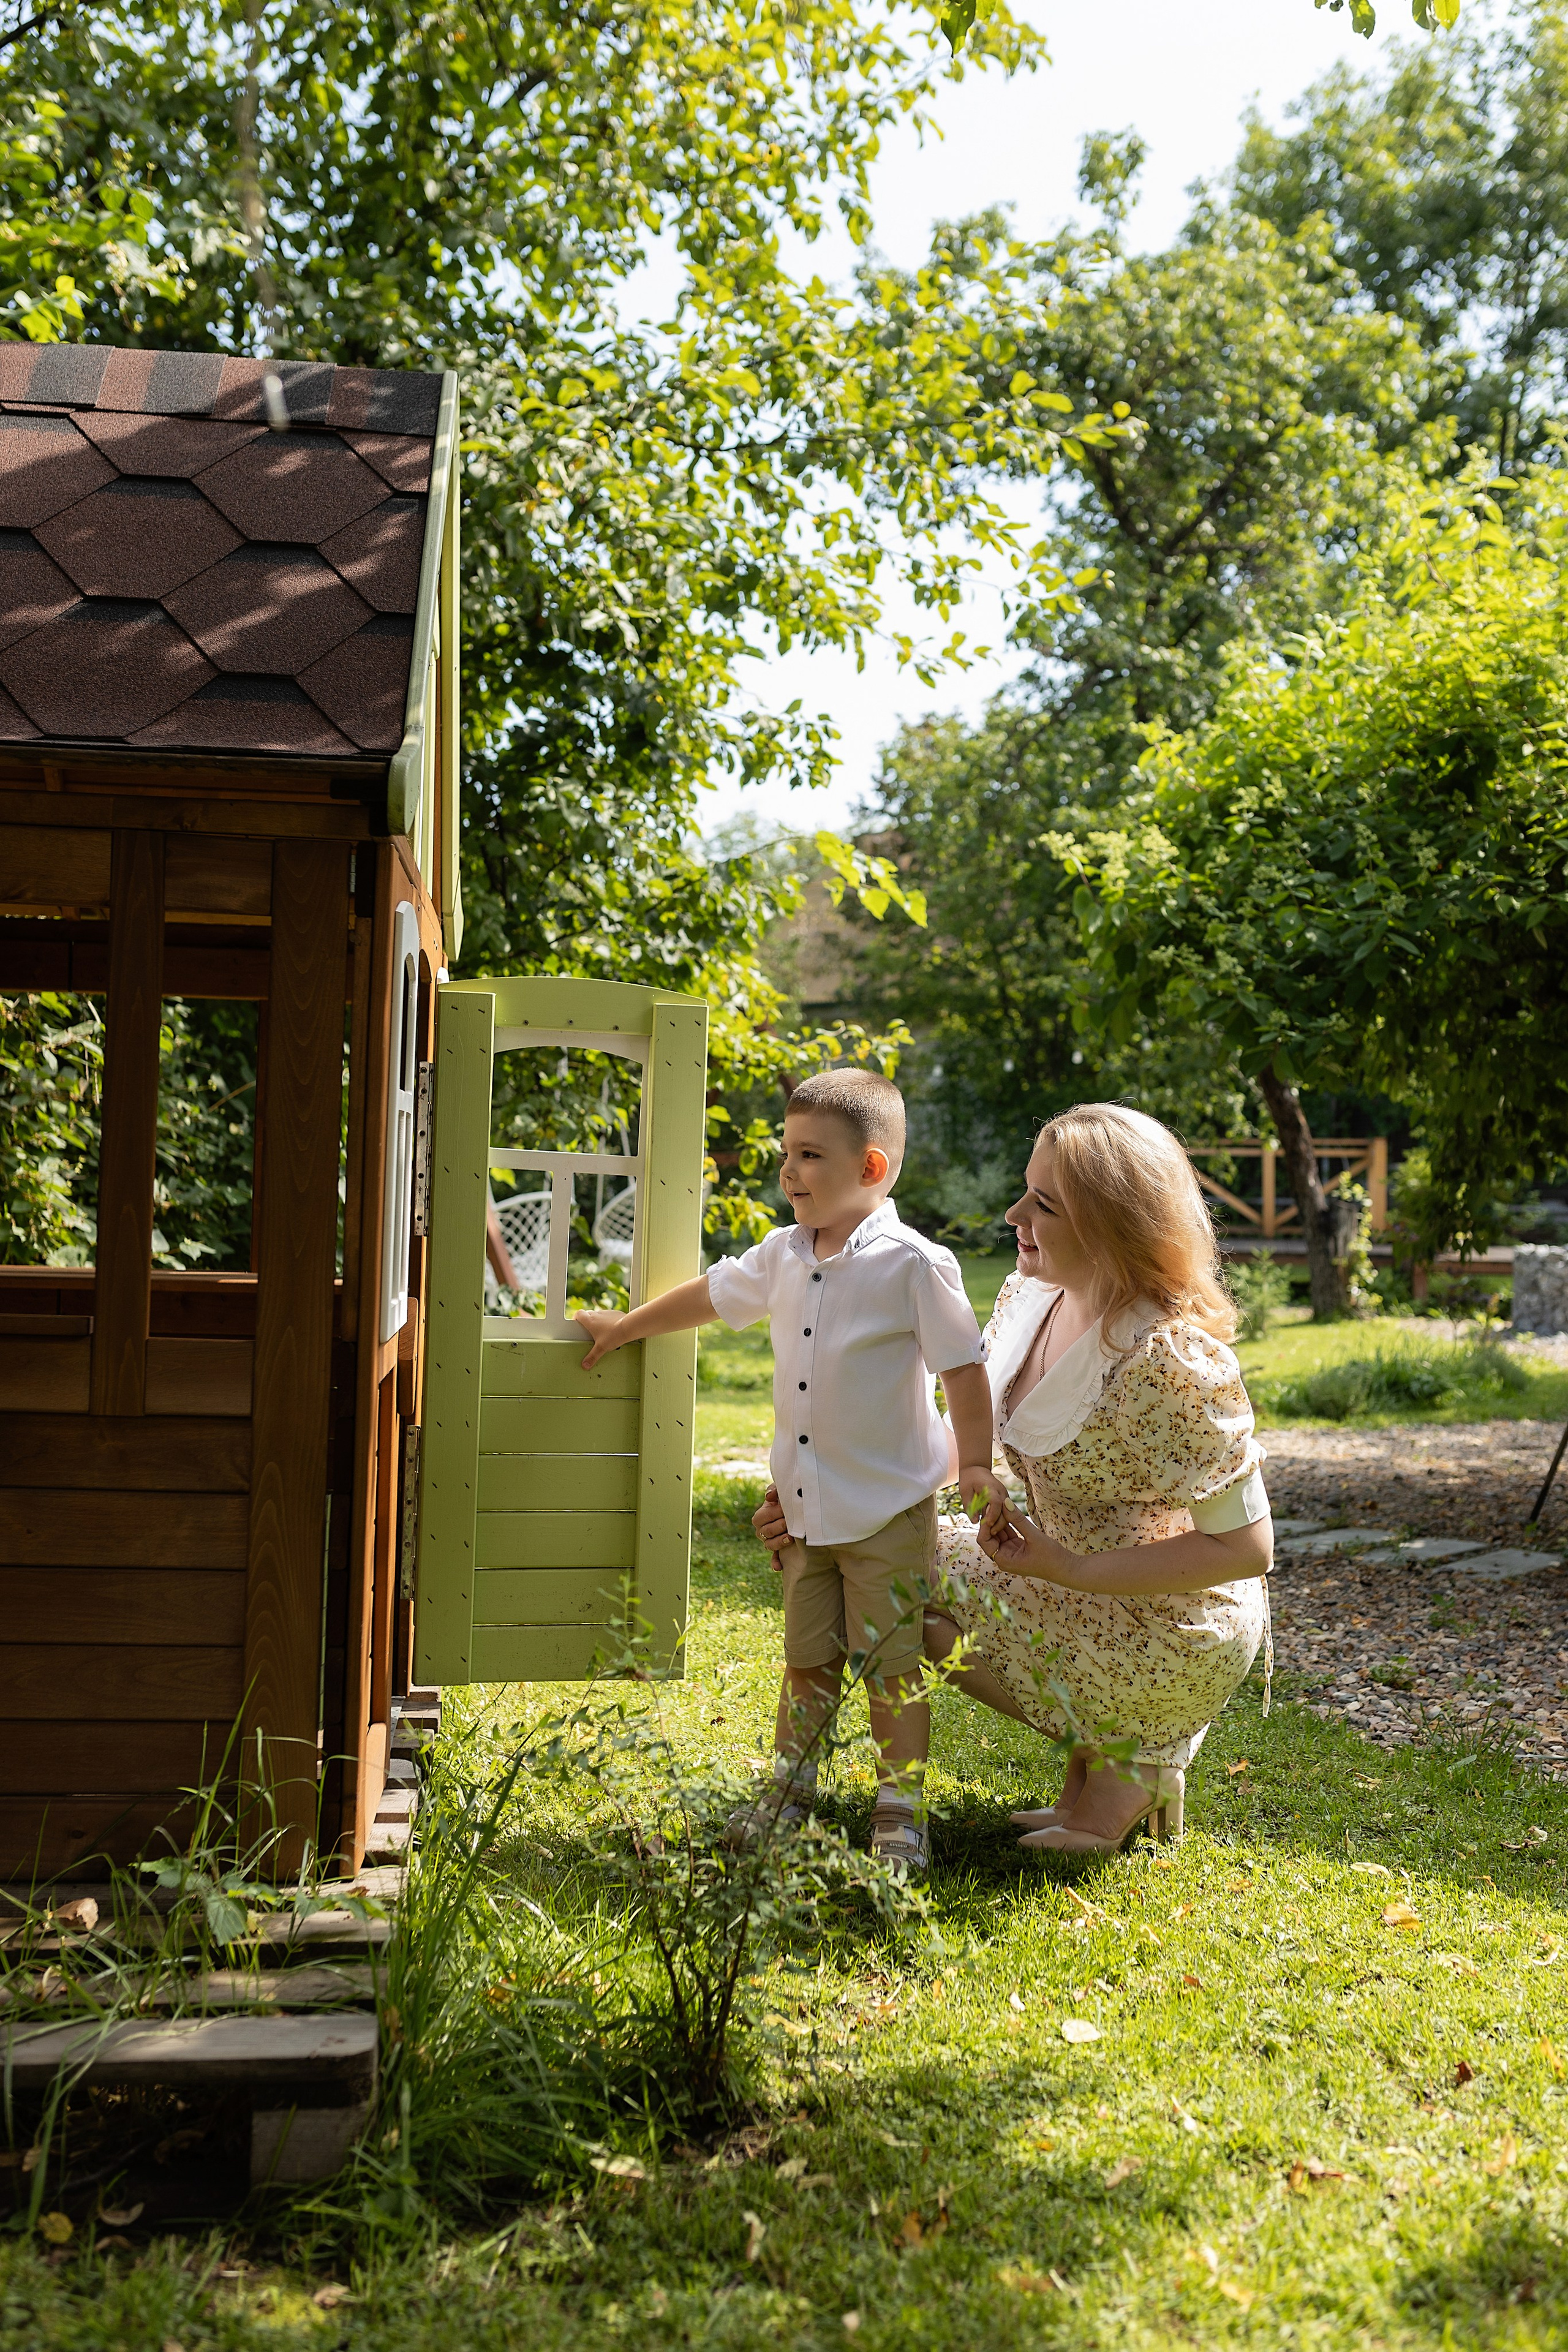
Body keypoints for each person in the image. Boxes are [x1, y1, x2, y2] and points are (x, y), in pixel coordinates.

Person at [576, 1067, 1003, 1873]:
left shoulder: (915, 1265)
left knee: (891, 1666)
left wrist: (974, 1463)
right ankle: (789, 1790)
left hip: (886, 1512)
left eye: (809, 1156)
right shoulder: (782, 1255)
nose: (787, 1172)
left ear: (870, 1169)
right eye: (787, 1153)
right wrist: (628, 1327)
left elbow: (963, 1371)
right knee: (807, 1660)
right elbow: (708, 1295)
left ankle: (900, 1810)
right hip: (807, 1511)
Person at [920, 1102, 1273, 1854]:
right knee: (880, 1564)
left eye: (1044, 1203)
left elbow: (1247, 1550)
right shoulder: (1030, 1297)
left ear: (1114, 1226)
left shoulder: (1167, 1361)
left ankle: (1130, 1759)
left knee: (897, 1592)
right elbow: (962, 1440)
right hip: (1066, 1577)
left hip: (1170, 1625)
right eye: (1026, 1190)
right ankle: (1106, 1756)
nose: (1015, 1213)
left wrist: (1072, 1566)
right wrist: (835, 1493)